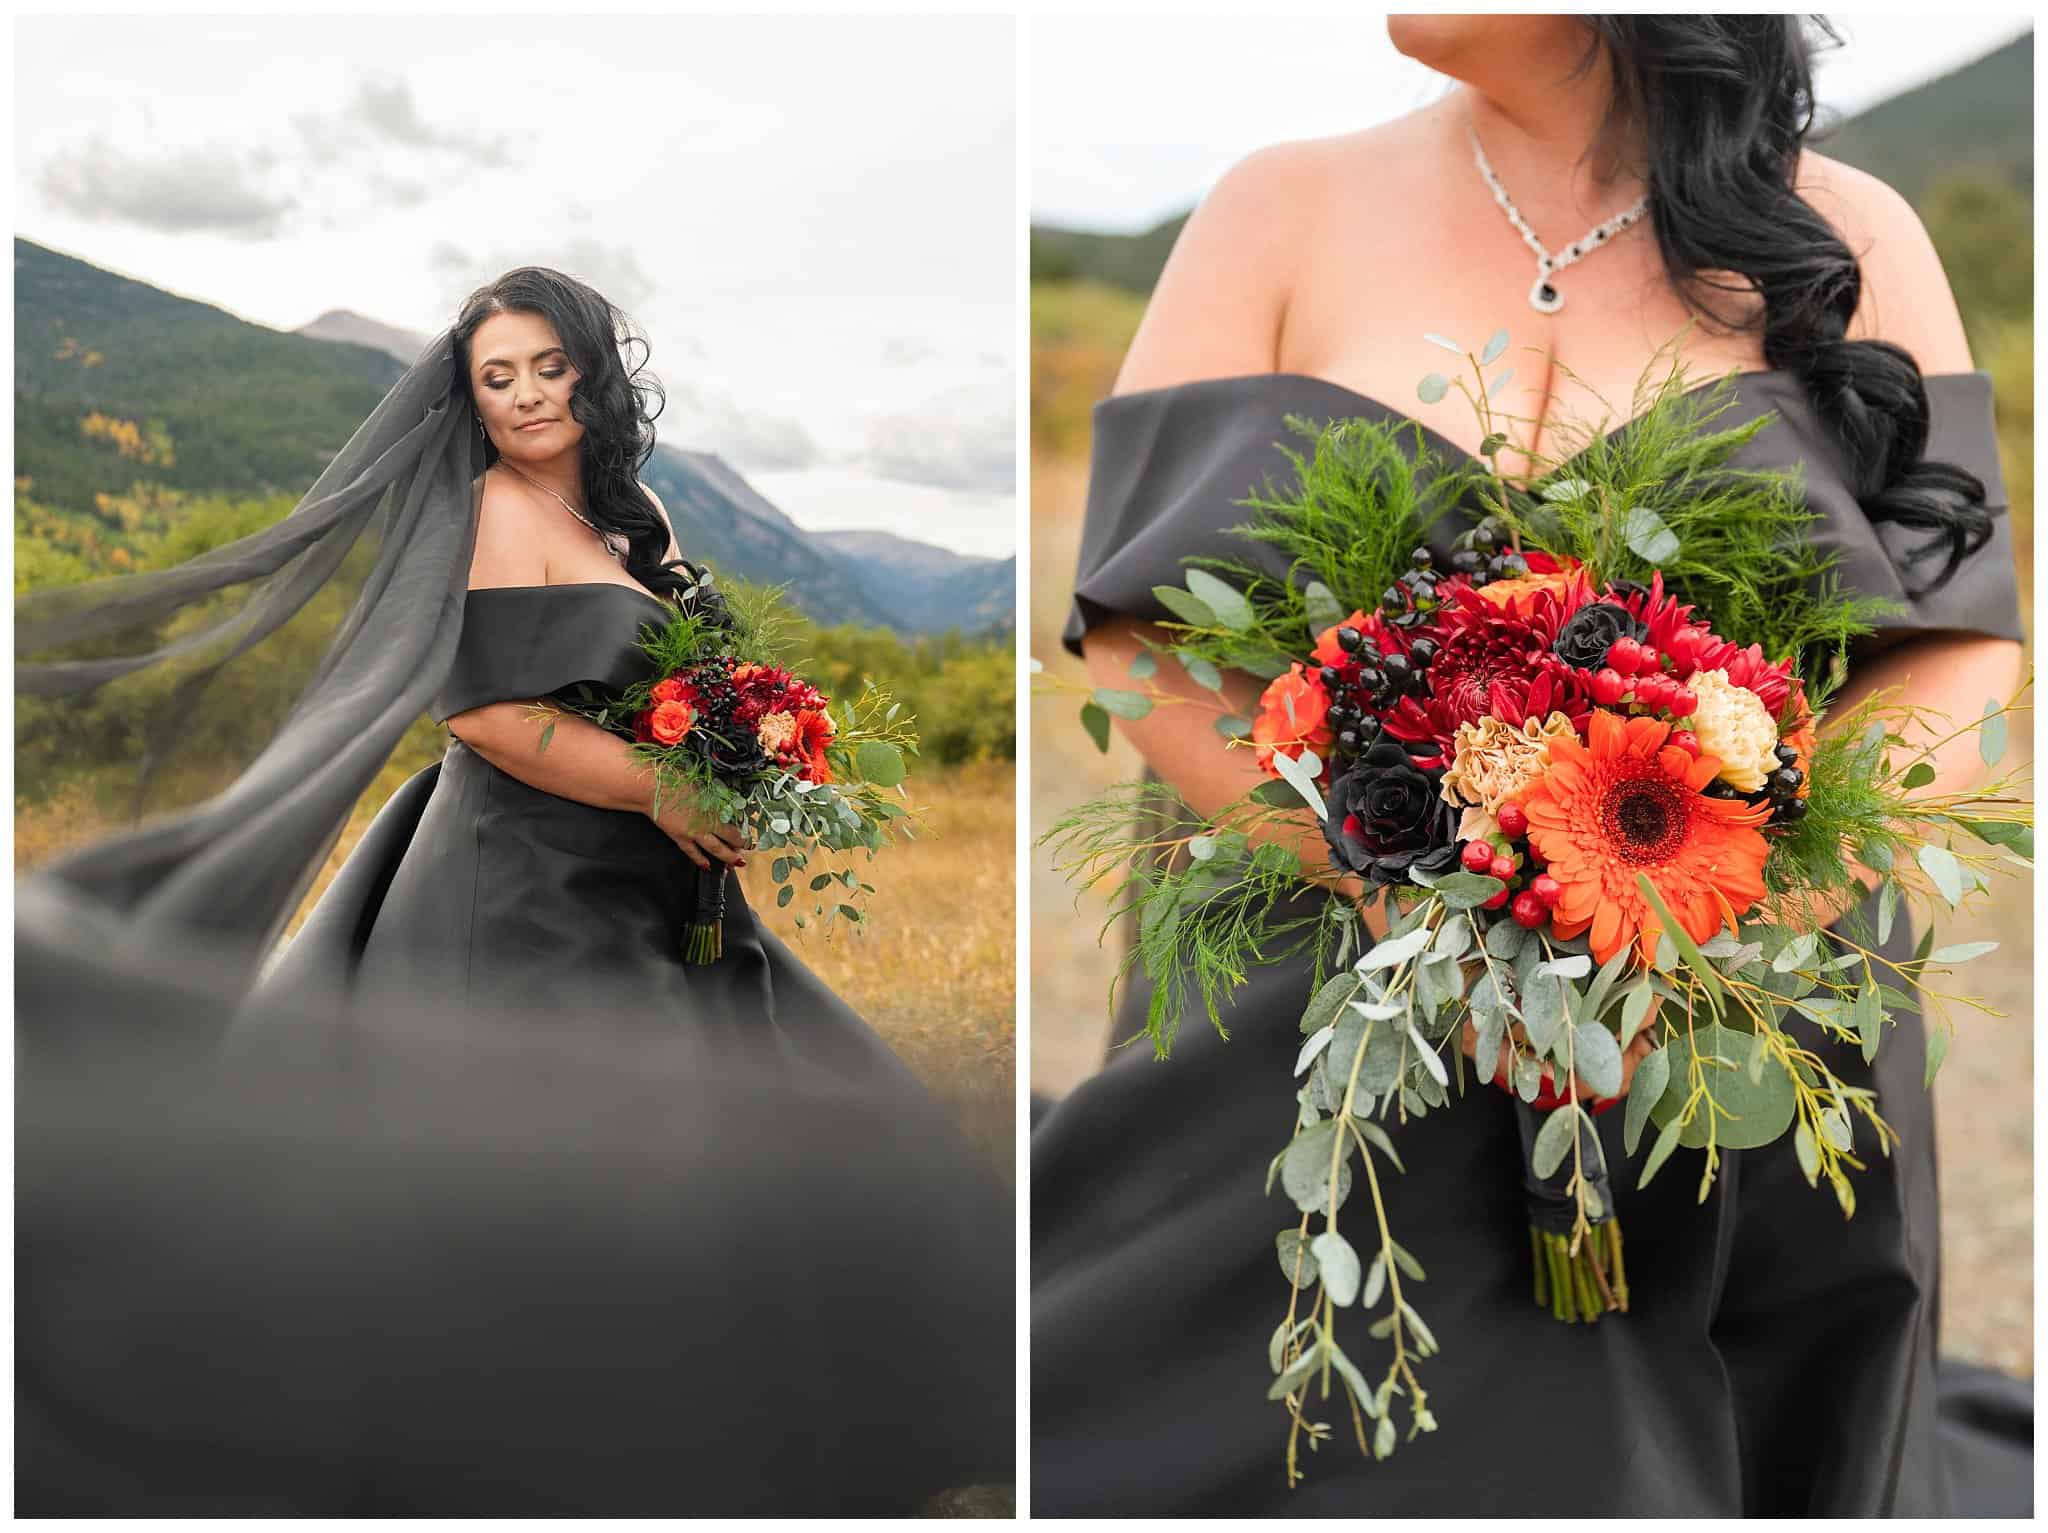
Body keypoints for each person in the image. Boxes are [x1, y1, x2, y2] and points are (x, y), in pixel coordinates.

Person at [1034, 16, 2026, 1517]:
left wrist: (1748, 912)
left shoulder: (1854, 232)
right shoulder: (1276, 207)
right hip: (1323, 1001)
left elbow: (1956, 641)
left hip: (1730, 1016)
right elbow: (1134, 630)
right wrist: (1403, 904)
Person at [17, 268, 1013, 1514]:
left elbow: (688, 686)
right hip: (527, 894)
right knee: (614, 1169)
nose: (530, 394)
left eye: (550, 366)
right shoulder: (487, 510)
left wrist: (746, 756)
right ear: (472, 398)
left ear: (593, 368)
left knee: (822, 1120)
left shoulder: (629, 509)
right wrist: (663, 792)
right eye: (500, 377)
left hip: (657, 892)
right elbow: (482, 709)